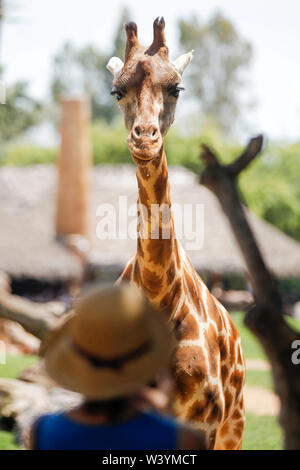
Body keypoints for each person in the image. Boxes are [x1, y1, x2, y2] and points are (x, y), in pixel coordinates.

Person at [29, 283, 207, 450]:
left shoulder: (43, 431)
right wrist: (166, 413)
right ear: (145, 362)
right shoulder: (185, 440)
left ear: (76, 360)